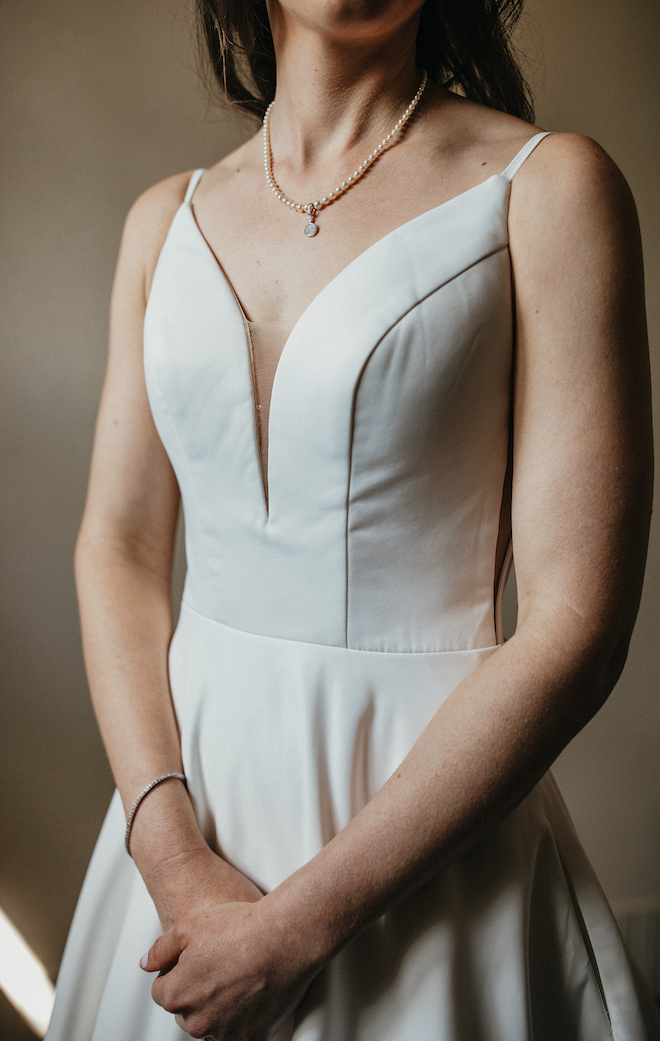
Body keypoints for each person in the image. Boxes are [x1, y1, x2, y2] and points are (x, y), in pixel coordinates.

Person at [45, 0, 659, 1039]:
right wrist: (174, 860)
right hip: (183, 816)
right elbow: (119, 548)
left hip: (425, 833)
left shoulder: (549, 190)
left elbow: (576, 625)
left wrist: (303, 922)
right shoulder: (165, 220)